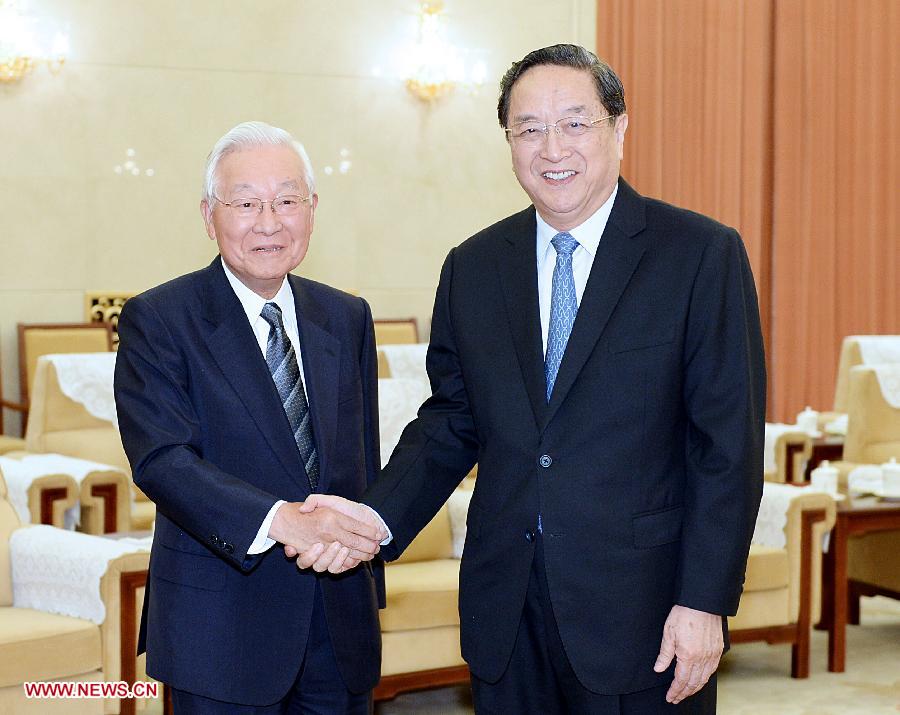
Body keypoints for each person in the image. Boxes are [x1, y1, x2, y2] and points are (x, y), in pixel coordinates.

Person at [303, 44, 765, 713]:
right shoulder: (475, 266)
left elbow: (728, 449)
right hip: (506, 614)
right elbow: (453, 419)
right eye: (529, 129)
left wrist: (703, 600)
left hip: (644, 614)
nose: (553, 148)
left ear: (620, 127)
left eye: (575, 123)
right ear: (509, 141)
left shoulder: (699, 256)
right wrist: (377, 515)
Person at [114, 121, 388, 713]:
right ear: (209, 216)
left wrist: (365, 559)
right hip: (220, 630)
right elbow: (162, 460)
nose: (269, 222)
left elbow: (362, 455)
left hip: (339, 625)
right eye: (245, 203)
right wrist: (281, 521)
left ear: (312, 210)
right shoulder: (159, 318)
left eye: (287, 200)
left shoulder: (346, 317)